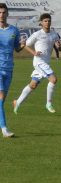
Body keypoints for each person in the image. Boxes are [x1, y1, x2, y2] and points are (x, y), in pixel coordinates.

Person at [13, 13, 61, 114]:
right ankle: (48, 103)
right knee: (53, 79)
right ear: (41, 23)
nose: (47, 23)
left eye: (49, 21)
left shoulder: (54, 34)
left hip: (46, 62)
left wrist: (59, 46)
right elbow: (24, 45)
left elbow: (60, 48)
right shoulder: (37, 34)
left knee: (33, 84)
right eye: (45, 21)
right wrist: (34, 52)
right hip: (39, 62)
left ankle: (17, 102)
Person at [0, 3, 25, 138]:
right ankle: (4, 129)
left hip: (9, 69)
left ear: (7, 14)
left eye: (4, 12)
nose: (1, 15)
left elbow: (16, 48)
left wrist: (22, 45)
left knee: (1, 102)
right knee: (0, 98)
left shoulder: (14, 31)